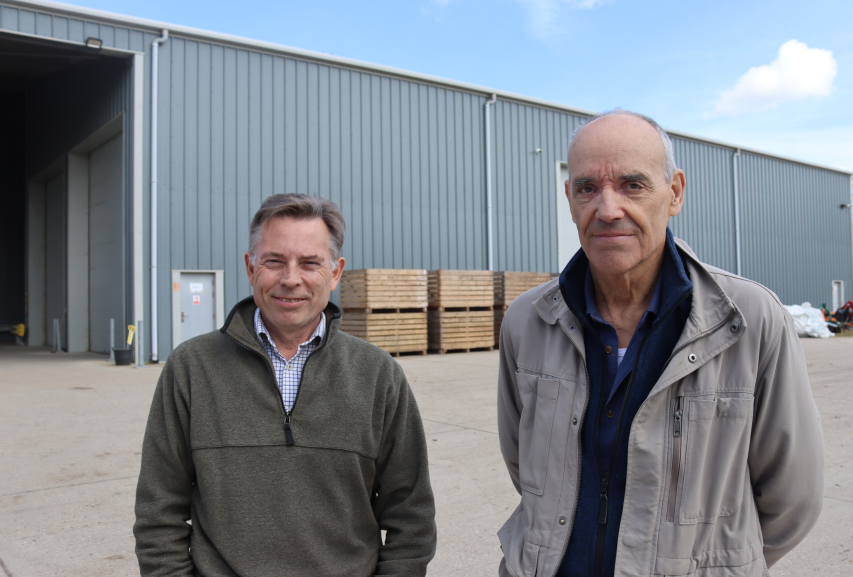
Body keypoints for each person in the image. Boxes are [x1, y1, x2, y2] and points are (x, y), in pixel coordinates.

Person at [496, 109, 824, 577]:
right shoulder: (530, 320)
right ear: (569, 199)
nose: (607, 209)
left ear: (674, 194)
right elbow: (523, 464)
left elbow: (793, 495)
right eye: (588, 188)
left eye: (632, 185)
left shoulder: (749, 319)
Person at [134, 193, 437, 576]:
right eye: (274, 261)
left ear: (336, 271)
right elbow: (158, 510)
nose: (291, 279)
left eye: (310, 263)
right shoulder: (192, 367)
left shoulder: (378, 374)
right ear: (250, 267)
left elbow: (411, 514)